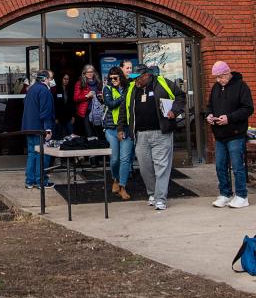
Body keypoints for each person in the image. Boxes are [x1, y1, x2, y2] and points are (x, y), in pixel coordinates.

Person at [118, 65, 185, 211]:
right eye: (133, 78)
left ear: (147, 75)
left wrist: (174, 111)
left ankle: (160, 198)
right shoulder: (131, 88)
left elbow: (181, 96)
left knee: (161, 166)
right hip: (140, 135)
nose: (135, 81)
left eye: (138, 78)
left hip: (161, 132)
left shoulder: (163, 83)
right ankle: (152, 193)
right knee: (145, 167)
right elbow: (124, 109)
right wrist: (121, 128)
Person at [205, 60, 254, 209]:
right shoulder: (216, 87)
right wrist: (209, 115)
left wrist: (229, 118)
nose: (219, 80)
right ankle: (225, 194)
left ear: (228, 73)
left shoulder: (241, 86)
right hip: (220, 134)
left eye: (221, 77)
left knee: (237, 166)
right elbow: (209, 106)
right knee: (220, 166)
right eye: (217, 78)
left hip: (236, 133)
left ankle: (241, 195)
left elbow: (248, 108)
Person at [102, 66, 134, 200]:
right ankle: (115, 178)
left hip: (126, 127)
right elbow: (110, 104)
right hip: (111, 128)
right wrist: (124, 97)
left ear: (120, 77)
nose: (113, 80)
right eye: (110, 78)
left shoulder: (129, 87)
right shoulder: (107, 89)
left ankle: (122, 186)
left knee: (125, 159)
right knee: (115, 158)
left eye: (115, 77)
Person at [22, 70, 55, 190]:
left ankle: (30, 181)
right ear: (45, 79)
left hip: (28, 127)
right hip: (39, 128)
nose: (51, 81)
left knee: (32, 154)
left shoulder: (31, 89)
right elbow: (45, 112)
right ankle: (41, 181)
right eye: (50, 78)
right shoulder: (44, 91)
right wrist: (48, 129)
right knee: (41, 154)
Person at [73, 64, 103, 139]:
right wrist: (87, 96)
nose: (89, 74)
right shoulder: (80, 83)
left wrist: (101, 96)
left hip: (97, 112)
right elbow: (75, 98)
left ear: (94, 73)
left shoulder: (98, 82)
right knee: (89, 134)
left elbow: (101, 93)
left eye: (91, 72)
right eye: (87, 72)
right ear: (84, 73)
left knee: (98, 133)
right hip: (86, 112)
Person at [52, 73, 75, 139]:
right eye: (64, 79)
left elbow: (72, 104)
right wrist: (55, 117)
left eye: (67, 79)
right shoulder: (56, 89)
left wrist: (73, 116)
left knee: (70, 135)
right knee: (60, 135)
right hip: (59, 117)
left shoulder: (70, 89)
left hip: (68, 117)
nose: (66, 80)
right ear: (61, 79)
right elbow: (55, 104)